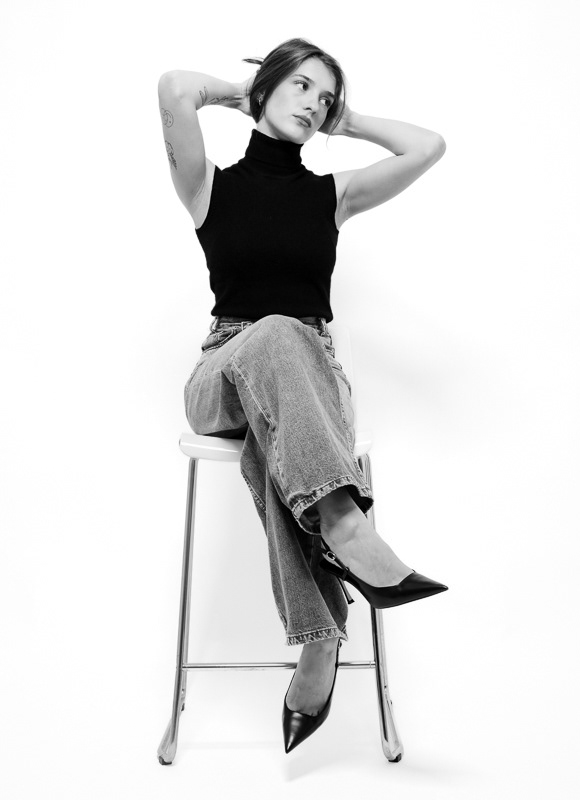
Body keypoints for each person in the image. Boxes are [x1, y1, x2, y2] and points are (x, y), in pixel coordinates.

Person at [157, 37, 448, 753]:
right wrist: (245, 93)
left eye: (326, 98)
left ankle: (319, 639)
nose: (315, 104)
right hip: (222, 372)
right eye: (303, 86)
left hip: (308, 386)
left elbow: (427, 146)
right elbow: (174, 88)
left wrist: (349, 122)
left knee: (276, 438)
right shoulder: (207, 187)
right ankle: (347, 528)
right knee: (276, 332)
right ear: (268, 87)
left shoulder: (333, 196)